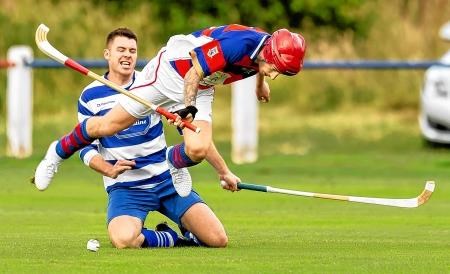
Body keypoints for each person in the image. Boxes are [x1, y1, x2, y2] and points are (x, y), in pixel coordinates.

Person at [33, 24, 306, 197]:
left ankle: (173, 161)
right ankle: (56, 154)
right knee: (107, 126)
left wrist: (259, 84)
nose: (273, 75)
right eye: (273, 69)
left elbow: (252, 67)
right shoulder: (237, 46)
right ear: (268, 54)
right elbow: (193, 72)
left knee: (198, 149)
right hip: (172, 73)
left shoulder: (264, 54)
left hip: (203, 86)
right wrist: (187, 108)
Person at [41, 27, 229, 248]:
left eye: (132, 51)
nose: (127, 55)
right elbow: (85, 147)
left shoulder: (155, 84)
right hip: (126, 188)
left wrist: (223, 171)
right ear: (107, 54)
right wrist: (107, 169)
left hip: (165, 179)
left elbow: (192, 133)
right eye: (121, 49)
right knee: (123, 239)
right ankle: (171, 238)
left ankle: (184, 210)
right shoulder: (90, 96)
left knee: (217, 240)